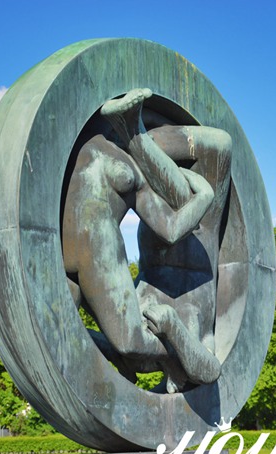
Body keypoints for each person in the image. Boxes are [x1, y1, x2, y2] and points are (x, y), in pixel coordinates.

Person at [62, 88, 230, 389]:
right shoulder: (193, 335)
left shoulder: (139, 334)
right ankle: (135, 129)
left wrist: (117, 356)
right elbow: (209, 371)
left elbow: (116, 342)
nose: (173, 384)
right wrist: (173, 329)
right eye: (180, 379)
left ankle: (132, 129)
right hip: (198, 242)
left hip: (155, 243)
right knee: (219, 147)